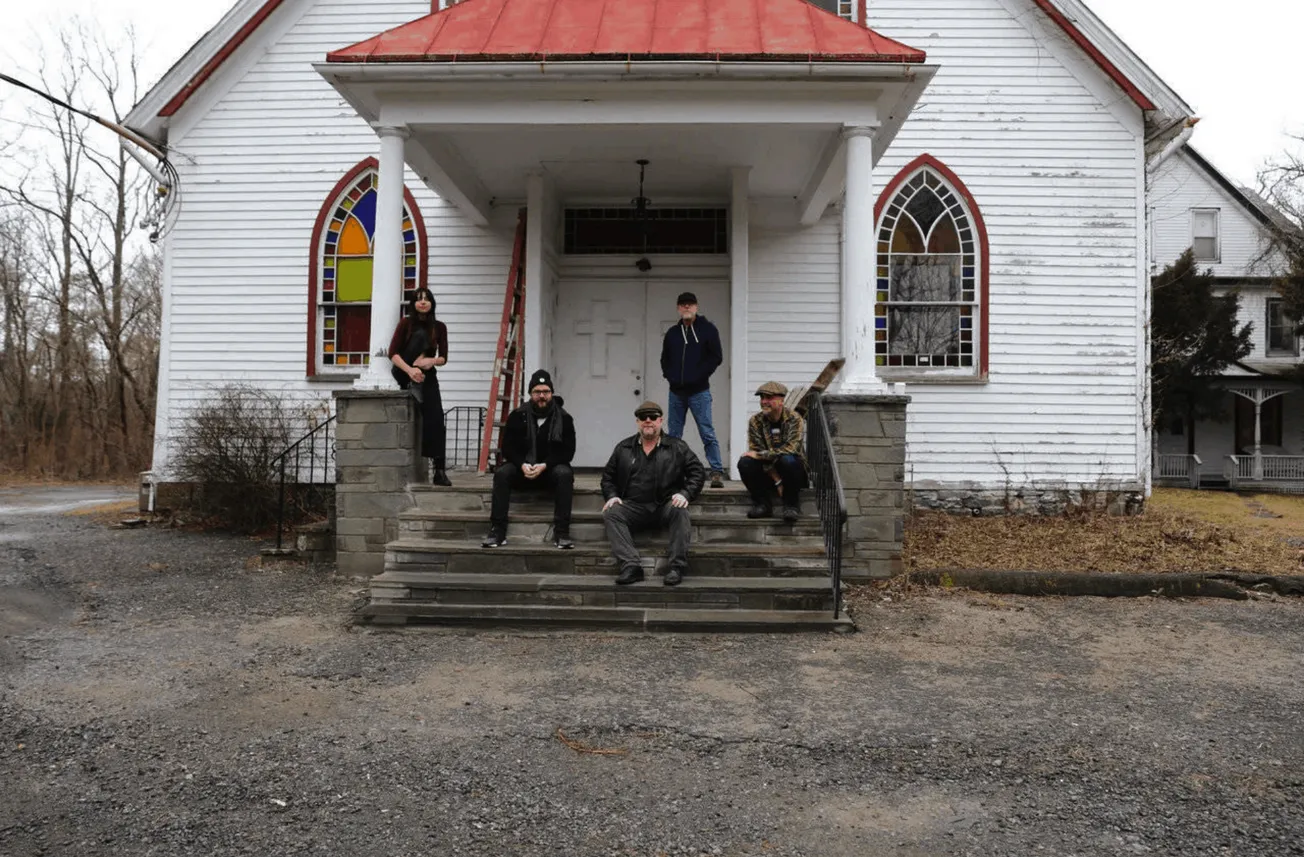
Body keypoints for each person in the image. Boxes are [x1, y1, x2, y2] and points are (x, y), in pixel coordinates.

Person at [600, 400, 705, 586]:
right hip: (633, 506)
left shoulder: (677, 447)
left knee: (680, 510)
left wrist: (686, 494)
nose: (648, 420)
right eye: (643, 417)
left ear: (660, 420)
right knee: (611, 512)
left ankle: (676, 567)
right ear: (637, 422)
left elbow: (698, 472)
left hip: (665, 505)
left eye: (653, 417)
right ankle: (631, 566)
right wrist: (612, 495)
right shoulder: (623, 448)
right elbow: (608, 477)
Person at [482, 370, 577, 549]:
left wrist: (545, 465)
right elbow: (508, 448)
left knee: (565, 473)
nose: (542, 396)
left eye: (546, 392)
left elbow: (568, 452)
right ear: (530, 394)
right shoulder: (518, 416)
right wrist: (522, 464)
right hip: (523, 470)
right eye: (537, 392)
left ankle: (562, 533)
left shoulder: (564, 419)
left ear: (552, 393)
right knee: (502, 473)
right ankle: (497, 531)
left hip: (549, 472)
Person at [659, 291, 725, 489]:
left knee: (707, 431)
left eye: (690, 304)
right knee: (674, 434)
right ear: (678, 308)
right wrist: (670, 376)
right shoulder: (672, 333)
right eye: (683, 304)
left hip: (699, 392)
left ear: (696, 307)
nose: (687, 307)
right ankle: (673, 472)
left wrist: (698, 376)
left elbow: (716, 357)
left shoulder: (708, 330)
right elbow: (665, 359)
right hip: (676, 393)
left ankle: (716, 471)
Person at [388, 288, 450, 485]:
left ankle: (439, 471)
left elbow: (444, 358)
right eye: (418, 299)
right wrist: (410, 370)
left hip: (427, 374)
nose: (423, 302)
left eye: (426, 299)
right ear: (413, 303)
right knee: (421, 336)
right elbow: (393, 353)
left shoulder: (440, 327)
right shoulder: (406, 324)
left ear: (432, 303)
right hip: (405, 371)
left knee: (437, 418)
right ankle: (412, 381)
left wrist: (431, 361)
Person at [738, 381, 809, 523]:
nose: (764, 402)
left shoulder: (794, 419)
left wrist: (760, 455)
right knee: (745, 462)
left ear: (781, 401)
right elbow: (757, 452)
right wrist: (777, 481)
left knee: (788, 459)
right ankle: (763, 505)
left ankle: (791, 505)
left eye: (769, 398)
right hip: (770, 473)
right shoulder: (755, 421)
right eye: (762, 398)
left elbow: (791, 449)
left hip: (794, 474)